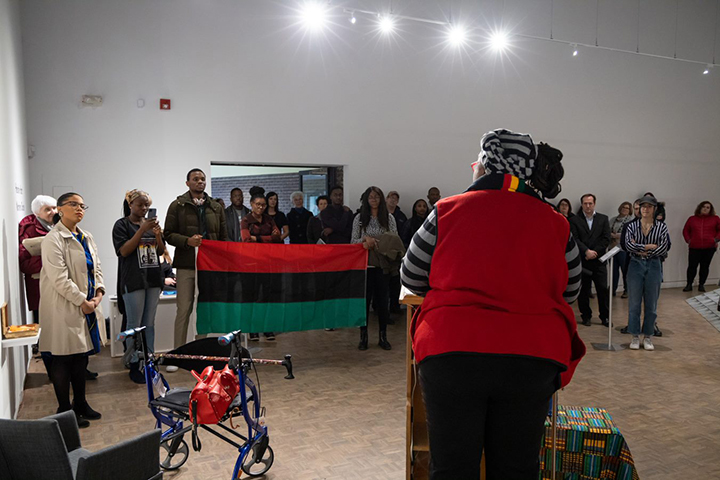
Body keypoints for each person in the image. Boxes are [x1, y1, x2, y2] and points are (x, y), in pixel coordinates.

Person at [401, 129, 584, 480]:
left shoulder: (445, 211)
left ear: (484, 166)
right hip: (531, 357)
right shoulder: (557, 224)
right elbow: (571, 290)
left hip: (452, 353)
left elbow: (411, 276)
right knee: (516, 467)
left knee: (453, 468)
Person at [39, 192, 106, 429]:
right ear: (59, 209)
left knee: (80, 358)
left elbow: (96, 268)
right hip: (63, 307)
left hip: (85, 305)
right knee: (62, 358)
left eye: (82, 206)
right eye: (73, 205)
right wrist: (82, 301)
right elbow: (60, 279)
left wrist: (98, 292)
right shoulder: (53, 239)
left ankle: (80, 404)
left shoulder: (86, 236)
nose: (79, 209)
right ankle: (64, 410)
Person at [164, 168, 228, 352]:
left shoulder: (216, 207)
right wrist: (187, 241)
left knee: (204, 312)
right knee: (183, 310)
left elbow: (224, 238)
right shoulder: (177, 205)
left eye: (202, 179)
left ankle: (201, 352)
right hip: (186, 266)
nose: (200, 182)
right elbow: (167, 234)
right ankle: (179, 354)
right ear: (187, 183)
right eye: (195, 179)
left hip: (209, 267)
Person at [112, 190, 165, 384]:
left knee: (149, 323)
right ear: (130, 205)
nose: (144, 209)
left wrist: (158, 234)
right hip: (133, 280)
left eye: (147, 206)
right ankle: (133, 362)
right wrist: (142, 230)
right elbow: (124, 251)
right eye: (140, 205)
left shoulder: (152, 225)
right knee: (134, 324)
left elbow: (160, 250)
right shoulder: (121, 225)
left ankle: (148, 361)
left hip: (152, 278)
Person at [351, 186, 398, 351]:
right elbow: (352, 241)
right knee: (364, 302)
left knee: (383, 301)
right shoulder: (359, 218)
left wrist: (379, 242)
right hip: (365, 265)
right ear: (366, 199)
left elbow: (395, 239)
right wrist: (365, 240)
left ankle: (383, 336)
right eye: (371, 197)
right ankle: (363, 337)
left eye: (377, 197)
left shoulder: (389, 217)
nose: (374, 200)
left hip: (383, 264)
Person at [622, 195, 670, 350]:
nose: (645, 209)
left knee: (651, 304)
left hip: (654, 265)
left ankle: (648, 336)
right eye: (643, 206)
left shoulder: (661, 227)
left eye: (649, 206)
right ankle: (635, 336)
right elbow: (628, 245)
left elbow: (664, 247)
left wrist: (641, 247)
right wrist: (649, 247)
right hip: (635, 264)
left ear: (654, 209)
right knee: (634, 303)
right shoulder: (631, 226)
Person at [241, 193, 280, 341]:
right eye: (257, 204)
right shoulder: (246, 220)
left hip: (268, 263)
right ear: (251, 204)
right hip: (251, 264)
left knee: (267, 297)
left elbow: (278, 238)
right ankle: (253, 329)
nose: (260, 207)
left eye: (263, 204)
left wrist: (256, 238)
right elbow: (246, 239)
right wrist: (267, 238)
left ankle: (267, 327)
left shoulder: (269, 220)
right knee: (253, 297)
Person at [570, 194, 611, 327]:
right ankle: (586, 316)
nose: (588, 206)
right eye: (585, 203)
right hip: (583, 261)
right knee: (584, 291)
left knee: (602, 290)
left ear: (594, 204)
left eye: (590, 203)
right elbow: (575, 239)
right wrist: (586, 251)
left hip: (599, 261)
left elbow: (606, 239)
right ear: (582, 204)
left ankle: (605, 317)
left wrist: (595, 253)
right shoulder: (575, 220)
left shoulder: (603, 219)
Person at [19, 195, 57, 322]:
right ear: (37, 213)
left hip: (58, 286)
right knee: (44, 326)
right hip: (40, 288)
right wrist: (51, 260)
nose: (53, 212)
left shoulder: (57, 225)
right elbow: (24, 264)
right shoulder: (29, 230)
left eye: (54, 208)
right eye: (47, 209)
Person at [682, 201, 720, 292]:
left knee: (705, 267)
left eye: (708, 207)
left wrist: (715, 240)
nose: (705, 209)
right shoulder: (692, 219)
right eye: (704, 207)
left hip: (709, 247)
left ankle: (701, 284)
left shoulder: (715, 219)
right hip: (694, 247)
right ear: (700, 208)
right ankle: (689, 284)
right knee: (692, 267)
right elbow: (685, 230)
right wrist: (689, 240)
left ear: (710, 209)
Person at [386, 191, 407, 315]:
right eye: (391, 198)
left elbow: (403, 233)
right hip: (383, 251)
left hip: (396, 251)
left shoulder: (401, 216)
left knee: (395, 281)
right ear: (386, 199)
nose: (393, 200)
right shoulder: (381, 214)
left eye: (395, 199)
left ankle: (395, 306)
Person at [610, 202, 634, 297]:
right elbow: (607, 231)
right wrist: (614, 235)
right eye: (623, 207)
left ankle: (627, 290)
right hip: (612, 249)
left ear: (630, 210)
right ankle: (612, 289)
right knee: (613, 271)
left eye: (627, 208)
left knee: (625, 271)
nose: (624, 209)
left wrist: (617, 235)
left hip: (623, 250)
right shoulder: (612, 220)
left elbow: (629, 235)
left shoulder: (630, 221)